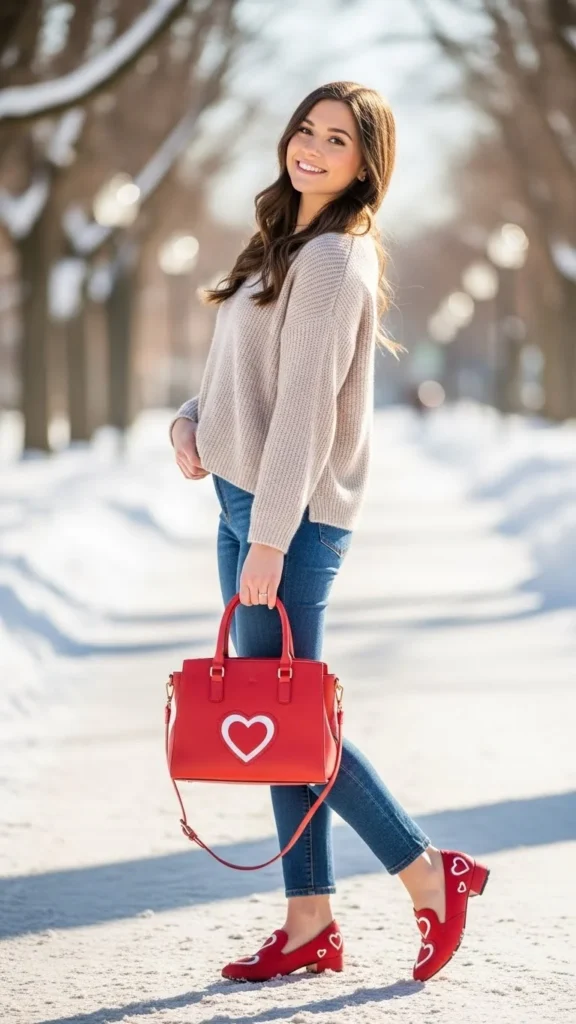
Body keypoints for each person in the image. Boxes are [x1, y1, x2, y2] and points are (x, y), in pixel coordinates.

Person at [169, 81, 489, 984]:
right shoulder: (285, 244)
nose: (310, 146)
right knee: (273, 716)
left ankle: (428, 873)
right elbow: (248, 375)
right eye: (306, 129)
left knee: (294, 718)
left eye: (337, 139)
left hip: (290, 516)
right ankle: (309, 920)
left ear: (365, 165)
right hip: (247, 501)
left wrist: (270, 538)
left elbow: (305, 410)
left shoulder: (334, 261)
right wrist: (191, 420)